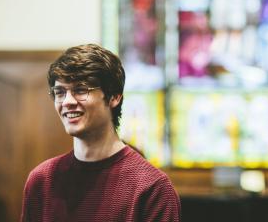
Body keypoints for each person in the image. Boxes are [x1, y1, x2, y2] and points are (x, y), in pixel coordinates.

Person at [20, 44, 181, 221]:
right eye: (60, 93)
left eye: (80, 90)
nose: (67, 101)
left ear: (114, 97)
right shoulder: (42, 180)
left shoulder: (152, 188)